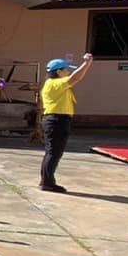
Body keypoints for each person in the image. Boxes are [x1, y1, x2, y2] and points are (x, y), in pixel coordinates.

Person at [40, 54, 94, 193]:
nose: (68, 72)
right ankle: (47, 182)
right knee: (53, 152)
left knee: (53, 152)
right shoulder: (55, 83)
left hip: (57, 120)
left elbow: (75, 78)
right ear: (58, 71)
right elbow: (75, 78)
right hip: (56, 120)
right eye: (66, 70)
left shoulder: (55, 83)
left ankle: (46, 180)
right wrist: (86, 63)